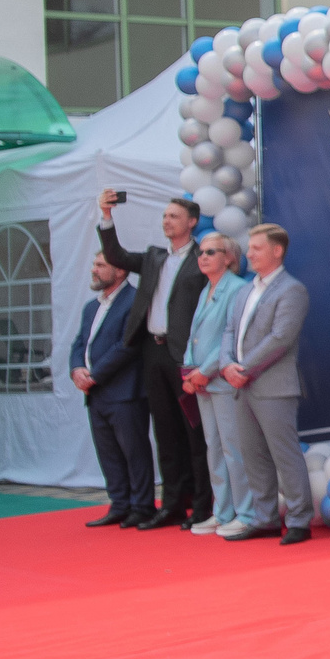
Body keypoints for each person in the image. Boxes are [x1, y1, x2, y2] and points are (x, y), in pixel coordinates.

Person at [96, 189, 208, 528]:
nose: (166, 221)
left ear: (191, 222)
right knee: (165, 432)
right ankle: (172, 504)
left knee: (194, 432)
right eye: (164, 216)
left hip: (184, 354)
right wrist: (106, 216)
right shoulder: (154, 257)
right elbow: (114, 254)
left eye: (173, 216)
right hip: (153, 351)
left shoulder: (202, 258)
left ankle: (203, 506)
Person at [222, 224, 311, 544]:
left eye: (256, 248)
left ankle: (300, 519)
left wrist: (243, 367)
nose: (249, 254)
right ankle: (265, 518)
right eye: (249, 248)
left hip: (274, 386)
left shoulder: (292, 290)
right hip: (241, 384)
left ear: (277, 251)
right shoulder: (245, 290)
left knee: (284, 454)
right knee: (252, 454)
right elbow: (229, 332)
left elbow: (281, 338)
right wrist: (226, 366)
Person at [176, 235, 252, 536]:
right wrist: (189, 372)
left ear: (228, 257)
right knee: (214, 449)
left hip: (221, 380)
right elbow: (194, 334)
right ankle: (222, 512)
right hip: (203, 382)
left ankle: (245, 512)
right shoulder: (207, 289)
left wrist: (204, 371)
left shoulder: (236, 289)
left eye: (211, 252)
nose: (203, 257)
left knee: (234, 448)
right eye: (200, 252)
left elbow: (228, 338)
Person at [74, 251, 153, 526]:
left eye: (100, 265)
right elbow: (79, 344)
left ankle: (142, 506)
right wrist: (76, 371)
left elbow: (127, 345)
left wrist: (94, 375)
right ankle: (119, 504)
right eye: (94, 264)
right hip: (96, 394)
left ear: (120, 271)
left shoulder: (134, 301)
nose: (94, 270)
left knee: (134, 452)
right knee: (108, 452)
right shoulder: (90, 307)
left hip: (125, 392)